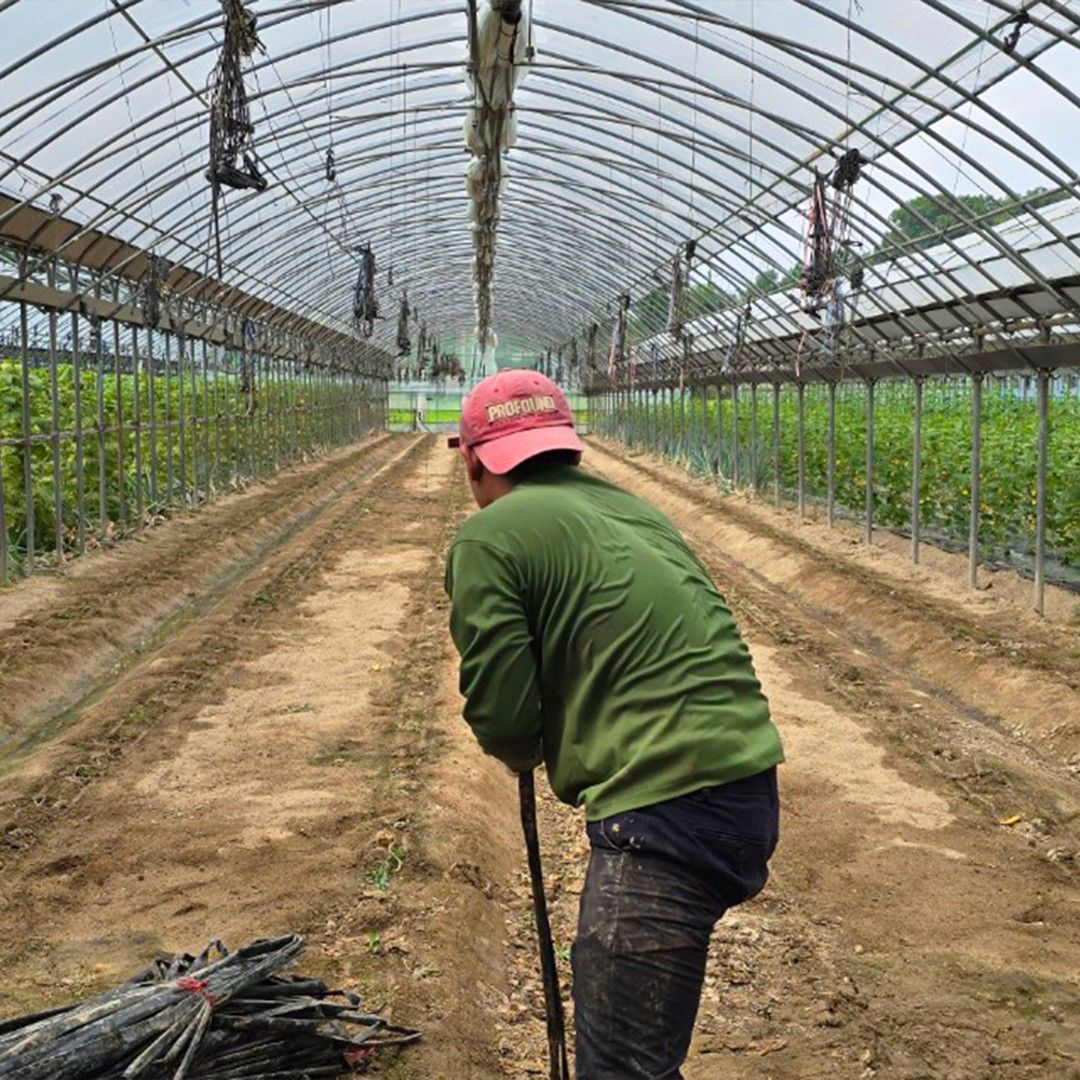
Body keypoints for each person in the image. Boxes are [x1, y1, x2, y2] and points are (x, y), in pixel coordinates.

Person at [444, 369, 784, 1079]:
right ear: (565, 448)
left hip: (665, 814)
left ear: (474, 460)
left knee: (621, 1069)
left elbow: (505, 717)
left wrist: (525, 744)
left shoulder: (490, 537)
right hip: (743, 787)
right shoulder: (637, 512)